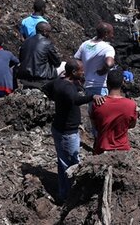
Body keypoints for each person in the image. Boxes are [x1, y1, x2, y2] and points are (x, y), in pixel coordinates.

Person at [43, 59, 105, 202]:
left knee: (63, 161)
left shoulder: (59, 81)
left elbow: (45, 88)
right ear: (74, 72)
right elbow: (76, 100)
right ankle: (68, 195)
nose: (83, 72)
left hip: (59, 128)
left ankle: (63, 192)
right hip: (67, 132)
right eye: (81, 70)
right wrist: (92, 96)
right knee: (71, 164)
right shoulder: (68, 88)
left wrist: (57, 99)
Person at [90, 69, 137, 155]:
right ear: (122, 83)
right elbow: (132, 125)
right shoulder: (131, 104)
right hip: (122, 151)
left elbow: (95, 126)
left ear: (107, 83)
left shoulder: (98, 104)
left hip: (102, 149)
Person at [74, 22, 116, 99]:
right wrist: (104, 70)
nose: (112, 36)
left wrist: (80, 75)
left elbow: (76, 61)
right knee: (100, 110)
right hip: (100, 87)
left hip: (87, 85)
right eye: (111, 33)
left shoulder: (85, 44)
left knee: (91, 109)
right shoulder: (107, 48)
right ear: (106, 34)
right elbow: (109, 63)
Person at [18, 21, 62, 88]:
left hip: (24, 78)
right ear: (44, 31)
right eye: (49, 31)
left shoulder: (26, 42)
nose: (49, 34)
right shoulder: (47, 43)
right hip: (41, 79)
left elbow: (21, 59)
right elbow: (57, 63)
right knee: (64, 65)